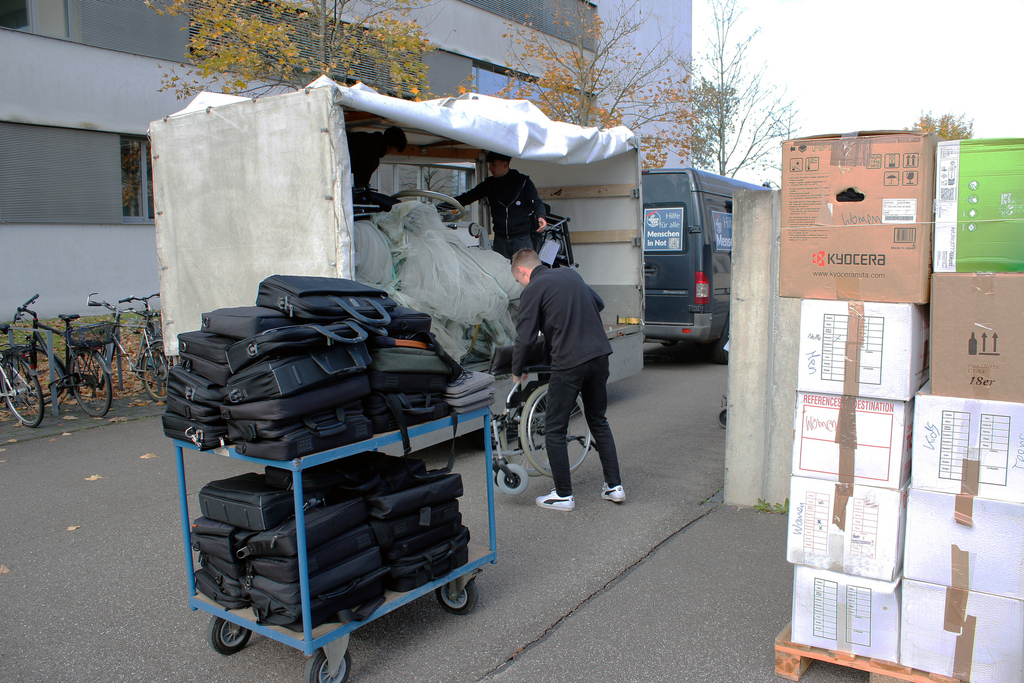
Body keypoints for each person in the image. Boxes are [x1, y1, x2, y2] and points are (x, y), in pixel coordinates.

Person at [510, 249, 624, 511]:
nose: (521, 285)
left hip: (569, 360)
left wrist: (517, 370)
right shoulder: (570, 274)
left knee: (555, 427)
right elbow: (599, 304)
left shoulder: (532, 288)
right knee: (598, 420)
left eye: (519, 281)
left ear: (523, 272)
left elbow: (525, 337)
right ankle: (614, 487)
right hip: (599, 354)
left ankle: (563, 495)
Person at [454, 152, 547, 259]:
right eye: (489, 165)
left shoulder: (523, 182)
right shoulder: (489, 185)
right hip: (500, 240)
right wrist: (444, 205)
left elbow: (537, 202)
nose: (490, 168)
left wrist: (541, 217)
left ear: (505, 164)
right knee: (500, 273)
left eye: (493, 164)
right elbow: (467, 197)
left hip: (522, 240)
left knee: (525, 273)